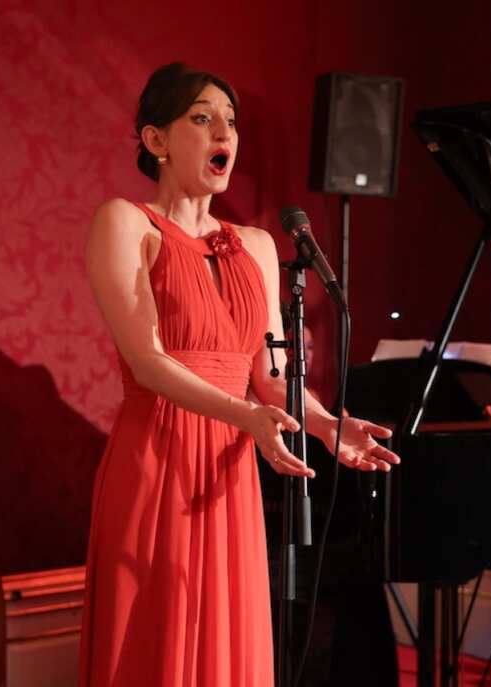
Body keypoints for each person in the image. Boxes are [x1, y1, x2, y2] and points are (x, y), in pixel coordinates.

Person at [78, 62, 399, 687]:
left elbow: (272, 377)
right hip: (159, 455)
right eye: (202, 118)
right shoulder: (125, 221)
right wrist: (245, 415)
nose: (224, 132)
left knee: (225, 641)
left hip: (230, 463)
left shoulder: (255, 244)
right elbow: (148, 361)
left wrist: (327, 425)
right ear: (156, 139)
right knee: (158, 640)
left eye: (231, 121)